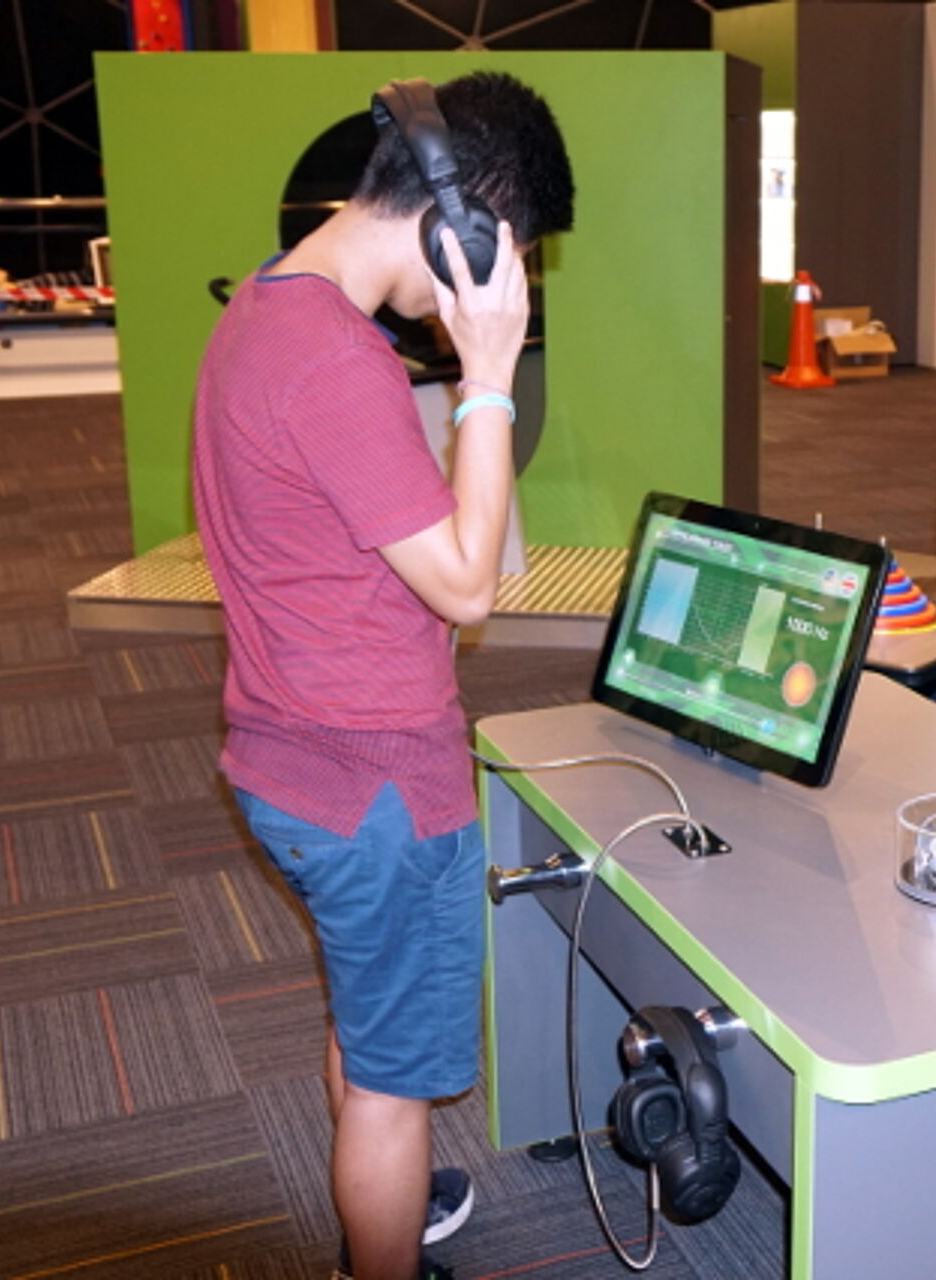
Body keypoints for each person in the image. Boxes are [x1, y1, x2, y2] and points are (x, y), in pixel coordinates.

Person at [191, 72, 574, 1280]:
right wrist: (490, 376)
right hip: (378, 787)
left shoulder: (268, 303)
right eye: (515, 254)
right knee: (392, 1087)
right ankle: (384, 1240)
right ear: (468, 229)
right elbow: (467, 583)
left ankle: (386, 1198)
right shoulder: (337, 362)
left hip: (292, 760)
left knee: (369, 1027)